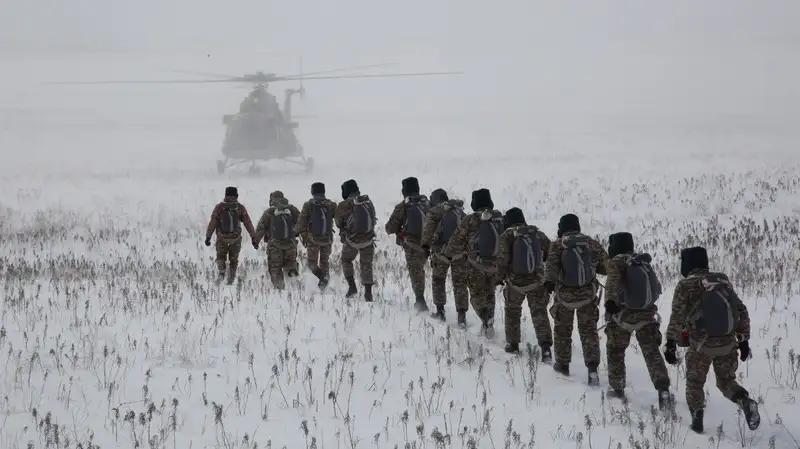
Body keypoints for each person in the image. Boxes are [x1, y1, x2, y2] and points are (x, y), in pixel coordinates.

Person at [664, 246, 760, 433]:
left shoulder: (685, 285)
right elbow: (741, 310)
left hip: (701, 346)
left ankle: (697, 422)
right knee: (726, 382)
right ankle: (745, 401)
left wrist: (670, 342)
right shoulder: (722, 281)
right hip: (727, 344)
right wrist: (744, 340)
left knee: (694, 382)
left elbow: (677, 316)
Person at [603, 232, 670, 409]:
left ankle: (617, 389)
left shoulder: (616, 262)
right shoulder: (641, 261)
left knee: (615, 350)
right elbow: (656, 287)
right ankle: (663, 388)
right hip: (646, 315)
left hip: (622, 316)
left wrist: (610, 301)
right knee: (652, 353)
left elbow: (612, 282)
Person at [543, 213, 608, 385]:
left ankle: (563, 366)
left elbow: (551, 266)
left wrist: (549, 283)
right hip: (588, 295)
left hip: (565, 296)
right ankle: (592, 369)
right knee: (589, 332)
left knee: (562, 331)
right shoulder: (591, 243)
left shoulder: (558, 245)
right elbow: (606, 267)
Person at [444, 188, 504, 337]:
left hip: (475, 265)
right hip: (495, 266)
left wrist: (448, 253)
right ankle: (489, 320)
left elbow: (456, 241)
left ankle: (485, 318)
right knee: (490, 294)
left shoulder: (470, 219)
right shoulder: (499, 218)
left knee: (477, 295)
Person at [495, 207, 553, 359]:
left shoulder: (507, 236)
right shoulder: (537, 234)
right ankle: (546, 347)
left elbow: (503, 260)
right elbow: (551, 254)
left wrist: (498, 278)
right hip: (537, 282)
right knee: (539, 312)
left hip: (515, 283)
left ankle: (513, 344)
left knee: (512, 311)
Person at [421, 188, 469, 326]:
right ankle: (461, 316)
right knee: (459, 283)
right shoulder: (459, 210)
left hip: (440, 252)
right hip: (459, 253)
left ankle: (440, 311)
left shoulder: (435, 211)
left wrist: (425, 246)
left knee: (438, 280)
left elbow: (428, 230)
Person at [385, 177, 431, 311]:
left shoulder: (403, 206)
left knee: (416, 272)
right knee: (421, 270)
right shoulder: (427, 203)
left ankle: (420, 300)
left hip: (412, 245)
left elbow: (390, 228)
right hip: (428, 246)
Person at [204, 186, 258, 284]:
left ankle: (221, 272)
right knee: (234, 260)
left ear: (225, 195)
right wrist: (253, 237)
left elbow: (213, 222)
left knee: (221, 257)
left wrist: (208, 236)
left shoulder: (219, 207)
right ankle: (231, 279)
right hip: (236, 238)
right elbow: (248, 223)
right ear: (236, 195)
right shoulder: (240, 207)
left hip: (222, 238)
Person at [335, 179, 377, 301]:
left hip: (352, 241)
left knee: (346, 260)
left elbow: (338, 223)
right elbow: (373, 219)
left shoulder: (343, 205)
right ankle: (368, 293)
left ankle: (352, 287)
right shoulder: (367, 201)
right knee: (366, 264)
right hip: (368, 240)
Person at [254, 191, 301, 290]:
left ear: (272, 199)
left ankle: (280, 290)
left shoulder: (269, 211)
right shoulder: (292, 210)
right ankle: (294, 282)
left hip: (274, 246)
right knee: (290, 262)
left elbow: (261, 228)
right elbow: (302, 223)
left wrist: (256, 240)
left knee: (275, 267)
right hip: (291, 245)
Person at [295, 182, 338, 289]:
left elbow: (301, 223)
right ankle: (325, 280)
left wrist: (295, 232)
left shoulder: (308, 205)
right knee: (325, 261)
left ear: (312, 191)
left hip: (313, 240)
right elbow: (339, 220)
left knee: (312, 264)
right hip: (327, 238)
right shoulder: (331, 205)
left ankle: (322, 277)